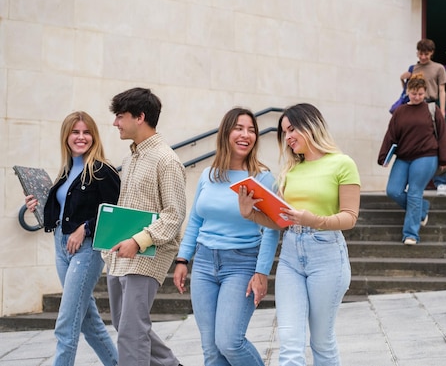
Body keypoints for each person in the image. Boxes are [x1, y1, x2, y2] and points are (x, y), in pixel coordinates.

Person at [237, 103, 360, 366]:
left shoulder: (342, 163)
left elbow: (350, 217)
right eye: (284, 132)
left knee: (321, 342)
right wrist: (251, 214)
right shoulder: (291, 170)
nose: (288, 137)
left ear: (311, 125)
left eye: (292, 129)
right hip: (291, 255)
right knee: (290, 345)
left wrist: (312, 220)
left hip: (326, 253)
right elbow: (280, 221)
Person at [173, 107, 280, 366]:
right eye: (239, 128)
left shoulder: (262, 178)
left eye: (252, 130)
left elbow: (272, 228)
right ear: (226, 133)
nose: (246, 135)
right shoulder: (208, 175)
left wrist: (262, 272)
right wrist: (182, 259)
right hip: (205, 263)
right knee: (211, 350)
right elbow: (197, 219)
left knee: (230, 341)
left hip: (242, 264)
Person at [24, 111, 119, 366]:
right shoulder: (67, 172)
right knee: (90, 323)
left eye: (86, 132)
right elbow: (61, 212)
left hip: (86, 251)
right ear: (66, 136)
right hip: (60, 247)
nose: (81, 137)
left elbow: (116, 212)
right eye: (75, 132)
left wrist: (85, 228)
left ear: (94, 136)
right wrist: (38, 206)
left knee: (66, 324)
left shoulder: (102, 170)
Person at [104, 87, 186, 366]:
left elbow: (174, 216)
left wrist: (139, 241)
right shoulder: (130, 159)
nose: (116, 123)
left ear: (140, 117)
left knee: (131, 330)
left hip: (147, 254)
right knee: (124, 323)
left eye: (120, 116)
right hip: (120, 253)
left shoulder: (167, 160)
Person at [378, 78, 446, 245]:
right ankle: (422, 209)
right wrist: (383, 156)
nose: (417, 97)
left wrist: (444, 158)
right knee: (393, 190)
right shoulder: (400, 112)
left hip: (426, 155)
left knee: (414, 192)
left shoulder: (432, 109)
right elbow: (391, 135)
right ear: (407, 92)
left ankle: (411, 234)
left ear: (425, 92)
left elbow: (443, 133)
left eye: (420, 94)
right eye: (413, 93)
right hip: (403, 157)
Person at [400, 38, 446, 196]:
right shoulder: (414, 68)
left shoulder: (438, 68)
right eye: (421, 54)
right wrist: (404, 81)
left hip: (430, 105)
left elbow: (442, 90)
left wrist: (442, 110)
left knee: (437, 142)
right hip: (414, 106)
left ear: (432, 53)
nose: (423, 57)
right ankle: (411, 182)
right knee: (412, 142)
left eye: (426, 54)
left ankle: (441, 182)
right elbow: (408, 86)